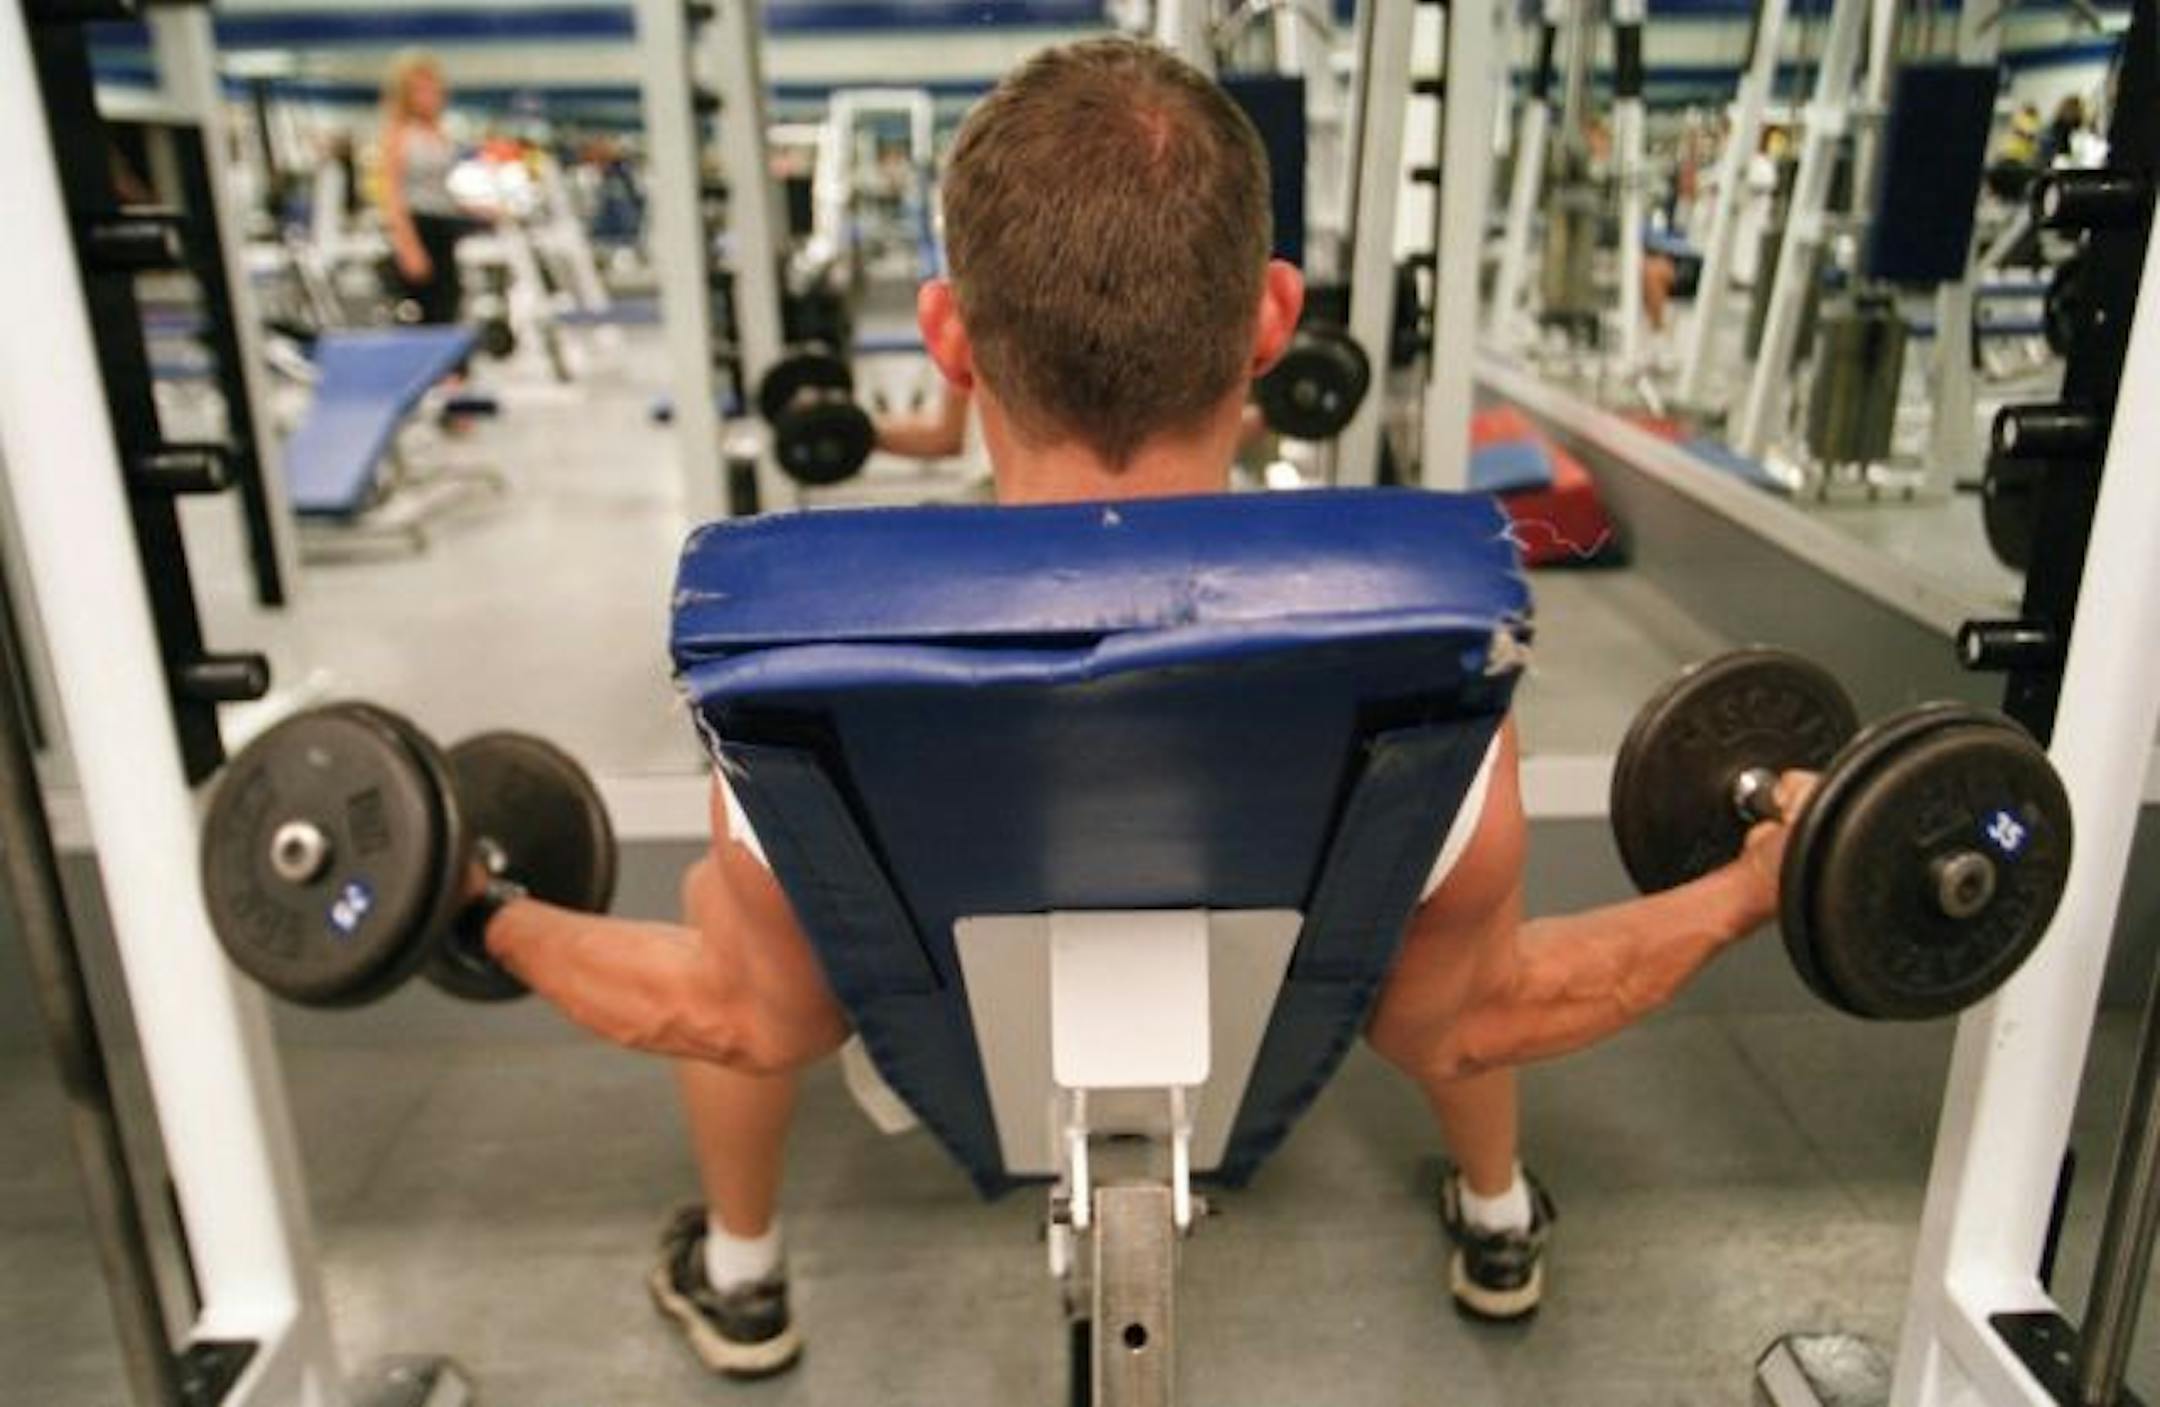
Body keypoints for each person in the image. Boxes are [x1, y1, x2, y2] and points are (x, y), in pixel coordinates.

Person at [461, 38, 1811, 1379]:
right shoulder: (1430, 658)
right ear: (1274, 320)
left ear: (947, 335)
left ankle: (743, 1274)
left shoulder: (791, 684)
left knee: (729, 904)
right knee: (1460, 912)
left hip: (946, 1033)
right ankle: (1500, 1217)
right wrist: (1751, 886)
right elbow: (1458, 1020)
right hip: (1280, 1014)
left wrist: (479, 908)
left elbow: (757, 1021)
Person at [377, 51, 473, 328]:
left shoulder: (440, 133)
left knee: (451, 305)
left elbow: (442, 188)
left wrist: (473, 210)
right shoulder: (398, 134)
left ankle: (453, 371)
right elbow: (392, 195)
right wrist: (407, 246)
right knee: (428, 312)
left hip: (444, 227)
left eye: (432, 88)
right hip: (418, 227)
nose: (428, 95)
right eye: (419, 89)